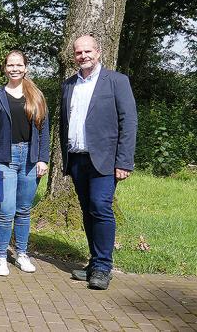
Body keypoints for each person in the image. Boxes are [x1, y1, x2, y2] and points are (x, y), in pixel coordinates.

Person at [60, 35, 137, 290]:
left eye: (88, 51)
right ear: (74, 56)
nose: (83, 56)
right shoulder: (69, 84)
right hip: (78, 158)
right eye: (79, 52)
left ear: (99, 52)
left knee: (100, 207)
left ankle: (103, 267)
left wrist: (124, 161)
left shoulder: (116, 81)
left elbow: (129, 123)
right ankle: (93, 263)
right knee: (87, 210)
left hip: (105, 160)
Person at [0, 50, 50, 277]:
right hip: (4, 158)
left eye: (18, 65)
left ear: (25, 68)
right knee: (6, 210)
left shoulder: (36, 95)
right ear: (4, 68)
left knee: (23, 210)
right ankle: (1, 257)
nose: (14, 69)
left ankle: (22, 253)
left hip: (29, 158)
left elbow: (43, 129)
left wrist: (43, 158)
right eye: (10, 65)